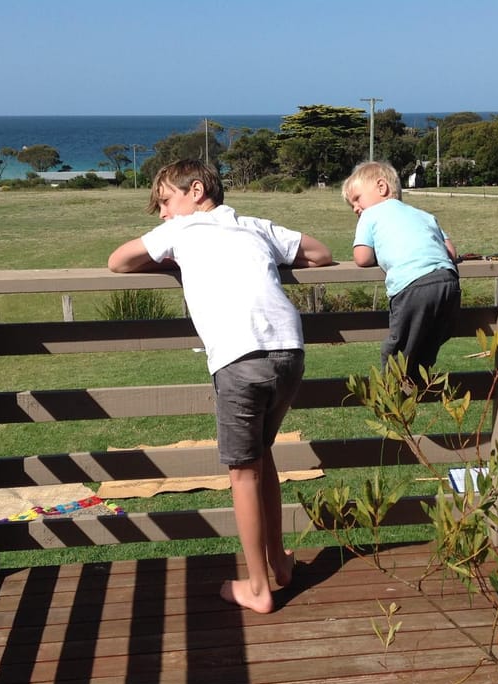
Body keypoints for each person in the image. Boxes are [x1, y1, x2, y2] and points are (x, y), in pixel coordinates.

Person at [107, 159, 333, 613]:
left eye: (166, 202)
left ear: (195, 191)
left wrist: (169, 250)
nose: (163, 215)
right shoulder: (254, 225)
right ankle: (279, 564)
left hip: (240, 356)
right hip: (288, 350)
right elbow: (321, 254)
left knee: (242, 473)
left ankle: (257, 587)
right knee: (261, 455)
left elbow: (117, 261)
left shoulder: (182, 231)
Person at [341, 160, 460, 384]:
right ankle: (417, 386)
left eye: (357, 199)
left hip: (411, 287)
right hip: (448, 281)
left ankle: (394, 399)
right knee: (428, 339)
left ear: (381, 187)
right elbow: (451, 252)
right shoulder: (424, 215)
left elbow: (362, 258)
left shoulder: (370, 215)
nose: (356, 208)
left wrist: (384, 250)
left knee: (397, 348)